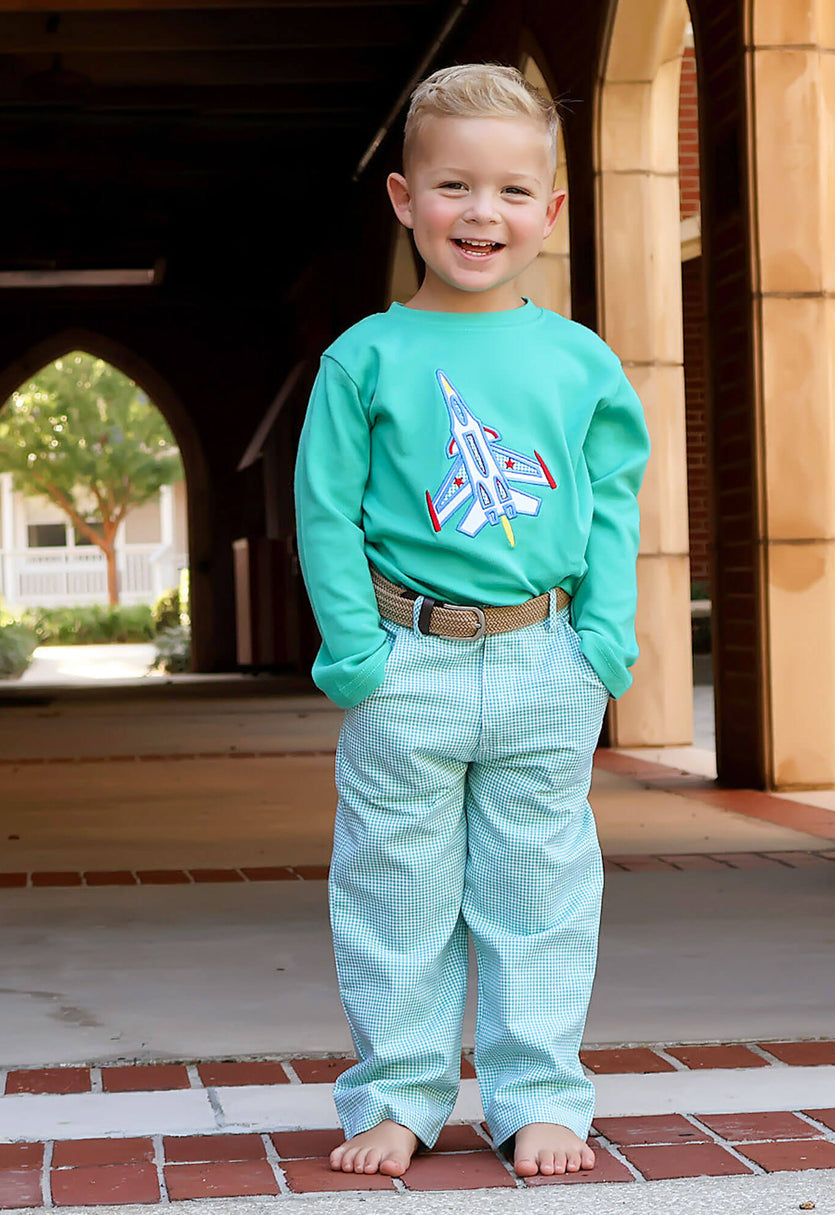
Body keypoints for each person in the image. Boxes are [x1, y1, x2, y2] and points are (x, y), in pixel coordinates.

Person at [293, 62, 650, 1180]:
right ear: (405, 200)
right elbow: (325, 508)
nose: (479, 213)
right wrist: (356, 652)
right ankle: (397, 1096)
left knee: (539, 893)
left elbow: (614, 502)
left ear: (551, 210)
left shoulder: (580, 360)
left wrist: (602, 644)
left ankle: (537, 1094)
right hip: (409, 657)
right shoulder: (364, 357)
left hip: (545, 654)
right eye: (453, 186)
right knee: (394, 893)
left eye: (510, 191)